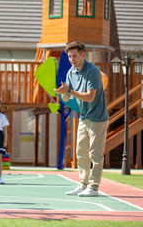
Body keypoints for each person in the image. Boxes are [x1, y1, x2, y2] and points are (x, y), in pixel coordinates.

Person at [54, 41, 109, 197]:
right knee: (80, 153)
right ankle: (83, 184)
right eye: (70, 56)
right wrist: (63, 92)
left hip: (98, 118)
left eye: (75, 56)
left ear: (83, 55)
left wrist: (69, 91)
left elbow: (90, 97)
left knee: (95, 154)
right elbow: (66, 96)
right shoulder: (71, 72)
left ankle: (94, 187)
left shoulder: (93, 71)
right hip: (84, 117)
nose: (72, 59)